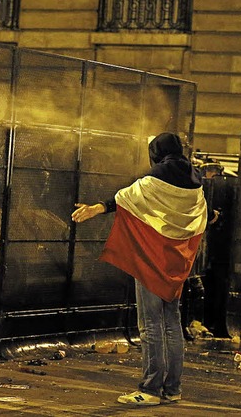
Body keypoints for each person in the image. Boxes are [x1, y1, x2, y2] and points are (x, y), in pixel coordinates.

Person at [71, 132, 213, 406]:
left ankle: (150, 389)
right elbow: (202, 217)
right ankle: (172, 389)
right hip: (176, 263)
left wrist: (97, 208)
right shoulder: (196, 180)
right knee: (172, 324)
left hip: (151, 258)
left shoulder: (156, 176)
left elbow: (127, 198)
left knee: (150, 325)